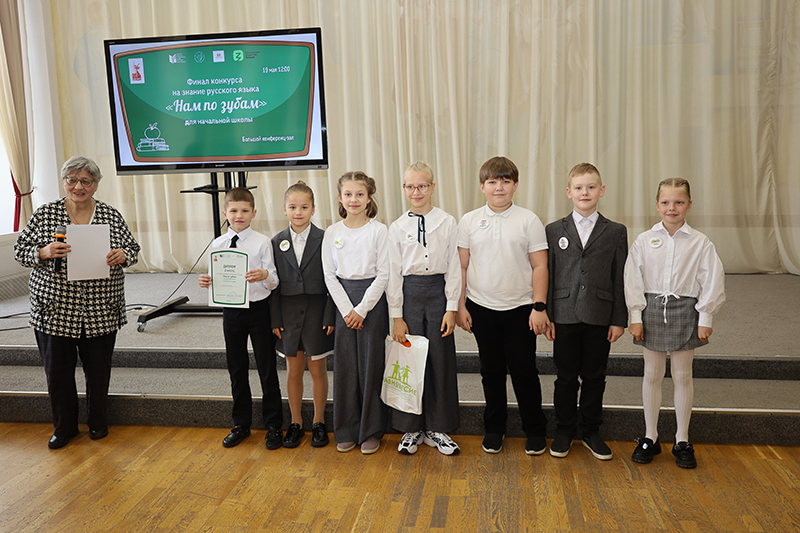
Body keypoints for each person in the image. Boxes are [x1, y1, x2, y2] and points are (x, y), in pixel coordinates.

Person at [14, 156, 140, 449]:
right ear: (64, 182)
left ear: (96, 184)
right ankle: (64, 428)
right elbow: (20, 251)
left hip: (101, 307)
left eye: (86, 181)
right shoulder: (46, 213)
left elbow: (133, 249)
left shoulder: (109, 214)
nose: (78, 187)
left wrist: (123, 255)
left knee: (98, 372)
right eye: (72, 180)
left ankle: (97, 422)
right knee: (58, 374)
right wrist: (43, 252)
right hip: (54, 308)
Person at [624, 178, 725, 469]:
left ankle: (682, 439)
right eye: (666, 202)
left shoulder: (700, 242)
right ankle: (650, 436)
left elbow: (712, 280)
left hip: (685, 310)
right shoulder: (644, 240)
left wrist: (705, 317)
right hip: (652, 311)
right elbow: (633, 279)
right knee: (652, 374)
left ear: (689, 205)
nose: (672, 208)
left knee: (682, 375)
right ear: (657, 205)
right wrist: (635, 316)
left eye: (679, 202)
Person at [456, 156, 550, 455]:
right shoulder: (469, 221)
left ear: (515, 185)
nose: (499, 187)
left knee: (524, 371)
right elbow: (461, 266)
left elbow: (540, 265)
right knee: (491, 371)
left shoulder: (528, 220)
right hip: (481, 307)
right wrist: (460, 306)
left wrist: (539, 307)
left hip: (521, 309)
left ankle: (535, 429)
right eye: (493, 181)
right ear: (482, 186)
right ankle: (494, 429)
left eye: (505, 181)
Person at [544, 163, 628, 461]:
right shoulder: (554, 230)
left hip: (599, 314)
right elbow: (548, 274)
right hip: (564, 314)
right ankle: (565, 430)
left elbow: (620, 277)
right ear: (569, 192)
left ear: (601, 191)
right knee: (565, 377)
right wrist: (547, 314)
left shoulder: (615, 231)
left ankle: (591, 431)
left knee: (594, 377)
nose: (585, 192)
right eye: (578, 188)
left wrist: (619, 319)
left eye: (591, 187)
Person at [198, 188, 284, 450]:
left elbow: (274, 280)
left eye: (245, 211)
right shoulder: (217, 244)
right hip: (231, 312)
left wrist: (264, 276)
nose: (239, 215)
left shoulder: (262, 242)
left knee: (267, 368)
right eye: (233, 211)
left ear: (253, 213)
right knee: (236, 369)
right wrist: (207, 281)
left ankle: (274, 425)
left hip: (258, 311)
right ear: (225, 213)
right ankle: (241, 424)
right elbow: (215, 278)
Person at [387, 161, 461, 456]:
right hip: (410, 295)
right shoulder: (397, 227)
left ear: (432, 187)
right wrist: (397, 316)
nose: (416, 192)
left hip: (438, 295)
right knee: (409, 362)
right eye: (410, 186)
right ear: (403, 188)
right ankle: (411, 427)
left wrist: (451, 307)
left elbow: (454, 266)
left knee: (440, 360)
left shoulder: (447, 222)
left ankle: (437, 428)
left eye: (421, 186)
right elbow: (393, 274)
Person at [322, 171, 389, 455]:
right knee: (346, 369)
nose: (354, 199)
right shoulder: (332, 232)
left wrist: (361, 310)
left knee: (372, 367)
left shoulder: (379, 231)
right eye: (348, 194)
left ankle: (371, 430)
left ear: (369, 198)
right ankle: (347, 429)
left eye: (360, 194)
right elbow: (329, 275)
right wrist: (348, 310)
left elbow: (384, 274)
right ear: (340, 198)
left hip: (372, 304)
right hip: (343, 305)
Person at [270, 181, 335, 448]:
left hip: (317, 314)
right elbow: (273, 283)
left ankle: (319, 422)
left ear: (313, 209)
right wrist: (275, 319)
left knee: (318, 369)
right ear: (285, 209)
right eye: (293, 207)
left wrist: (330, 316)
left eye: (304, 207)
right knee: (293, 370)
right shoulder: (276, 241)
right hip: (288, 316)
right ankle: (295, 422)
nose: (299, 212)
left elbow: (333, 282)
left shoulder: (326, 239)